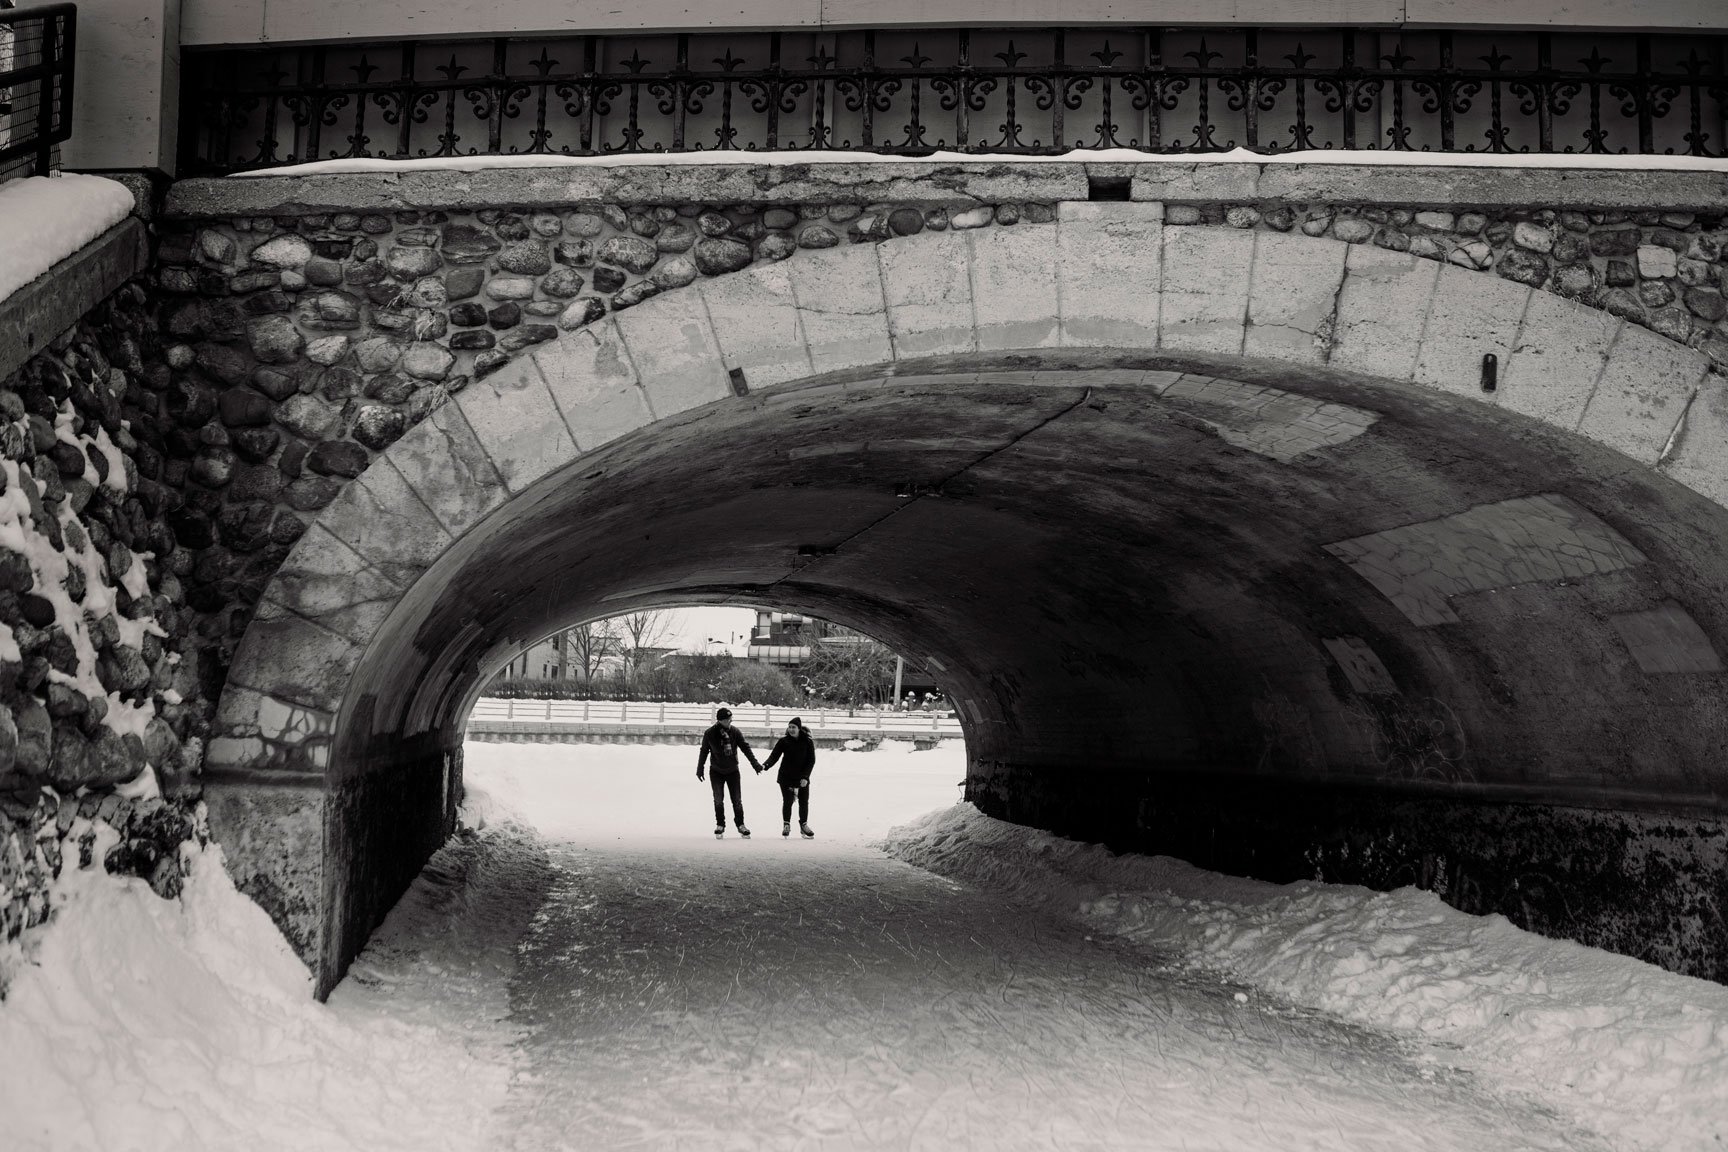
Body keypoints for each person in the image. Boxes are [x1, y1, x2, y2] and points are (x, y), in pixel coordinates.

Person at [696, 706, 762, 838]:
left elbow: (745, 748)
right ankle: (720, 824)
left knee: (737, 800)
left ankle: (740, 825)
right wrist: (700, 768)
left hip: (733, 771)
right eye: (727, 720)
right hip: (716, 771)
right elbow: (704, 751)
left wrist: (755, 764)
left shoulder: (735, 732)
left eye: (730, 719)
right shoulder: (710, 733)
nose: (729, 722)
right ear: (719, 720)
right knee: (718, 800)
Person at [761, 717, 816, 839]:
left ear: (799, 728)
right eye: (789, 727)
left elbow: (811, 761)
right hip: (786, 776)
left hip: (802, 777)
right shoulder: (784, 741)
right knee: (788, 801)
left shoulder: (807, 742)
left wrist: (805, 777)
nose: (791, 729)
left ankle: (804, 825)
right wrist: (765, 765)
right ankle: (786, 825)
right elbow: (774, 756)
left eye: (794, 727)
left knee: (803, 802)